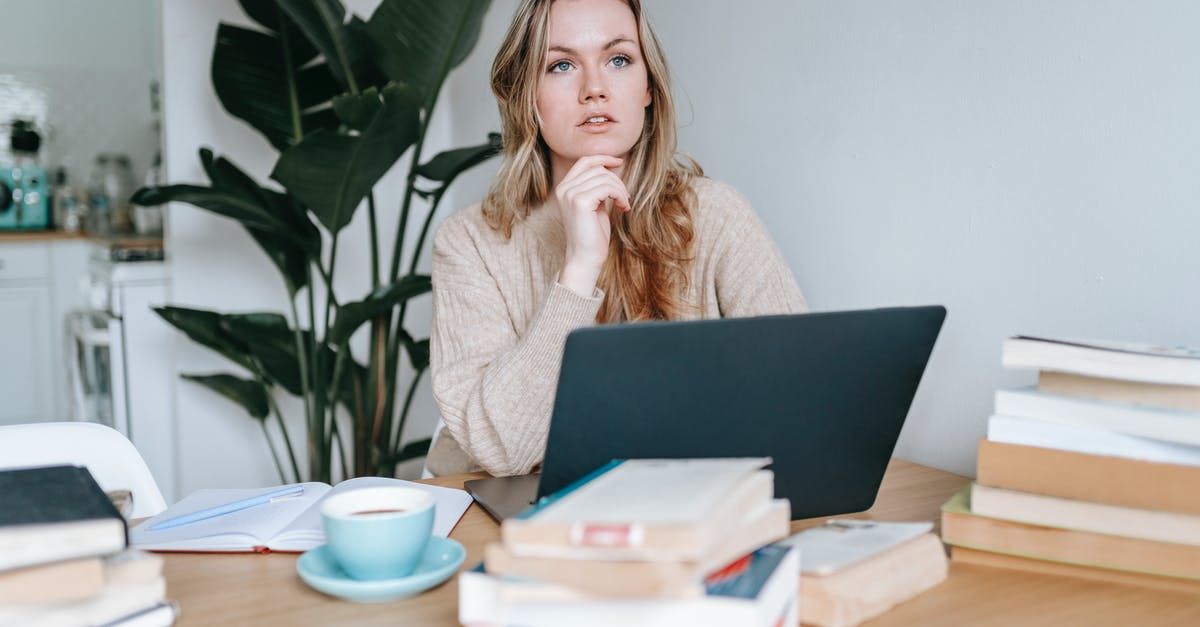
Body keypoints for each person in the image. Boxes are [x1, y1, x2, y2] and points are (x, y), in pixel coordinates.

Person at [426, 0, 806, 477]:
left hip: (683, 510)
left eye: (619, 59)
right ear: (526, 95)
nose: (595, 89)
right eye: (561, 65)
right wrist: (579, 268)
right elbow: (503, 452)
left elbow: (801, 397)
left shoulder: (717, 214)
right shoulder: (470, 243)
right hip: (523, 525)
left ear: (648, 86)